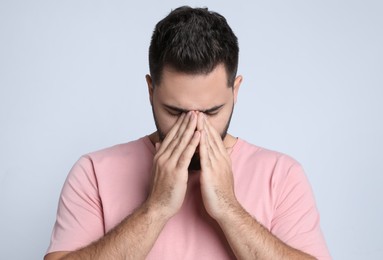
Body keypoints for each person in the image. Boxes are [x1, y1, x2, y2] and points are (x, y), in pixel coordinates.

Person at [45, 6, 331, 260]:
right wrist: (155, 208)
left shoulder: (281, 175)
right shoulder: (93, 172)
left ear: (236, 92)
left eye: (211, 112)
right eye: (175, 112)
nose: (194, 129)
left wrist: (229, 209)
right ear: (150, 91)